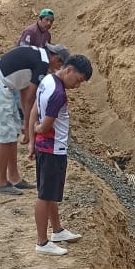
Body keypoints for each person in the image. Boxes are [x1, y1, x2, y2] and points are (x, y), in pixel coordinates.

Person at [0, 43, 70, 195]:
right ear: (56, 58)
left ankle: (14, 177)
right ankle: (1, 182)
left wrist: (24, 121)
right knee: (6, 136)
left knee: (12, 134)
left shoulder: (37, 57)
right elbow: (30, 98)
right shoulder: (42, 63)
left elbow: (24, 90)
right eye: (59, 66)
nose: (56, 69)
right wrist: (29, 127)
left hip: (4, 87)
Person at [32, 54, 93, 256]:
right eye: (78, 80)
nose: (77, 86)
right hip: (52, 149)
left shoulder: (47, 80)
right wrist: (37, 130)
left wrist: (33, 140)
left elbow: (34, 109)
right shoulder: (58, 94)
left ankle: (57, 230)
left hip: (45, 148)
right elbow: (44, 126)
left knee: (50, 193)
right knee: (44, 195)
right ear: (69, 70)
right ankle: (42, 242)